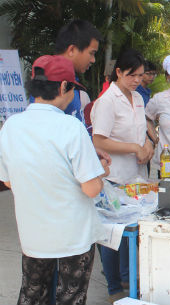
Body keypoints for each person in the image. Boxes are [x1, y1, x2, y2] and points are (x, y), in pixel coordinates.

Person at [0, 55, 108, 305]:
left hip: (33, 233)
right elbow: (91, 189)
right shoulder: (70, 127)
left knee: (32, 293)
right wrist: (100, 171)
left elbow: (8, 182)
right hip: (72, 236)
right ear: (63, 87)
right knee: (70, 296)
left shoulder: (11, 126)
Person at [91, 49, 154, 302]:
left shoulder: (138, 98)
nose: (137, 80)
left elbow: (141, 133)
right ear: (118, 72)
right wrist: (133, 148)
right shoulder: (107, 101)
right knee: (111, 234)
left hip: (136, 176)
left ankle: (128, 278)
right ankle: (113, 287)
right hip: (113, 176)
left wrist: (147, 147)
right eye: (131, 75)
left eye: (140, 75)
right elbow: (99, 141)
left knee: (132, 230)